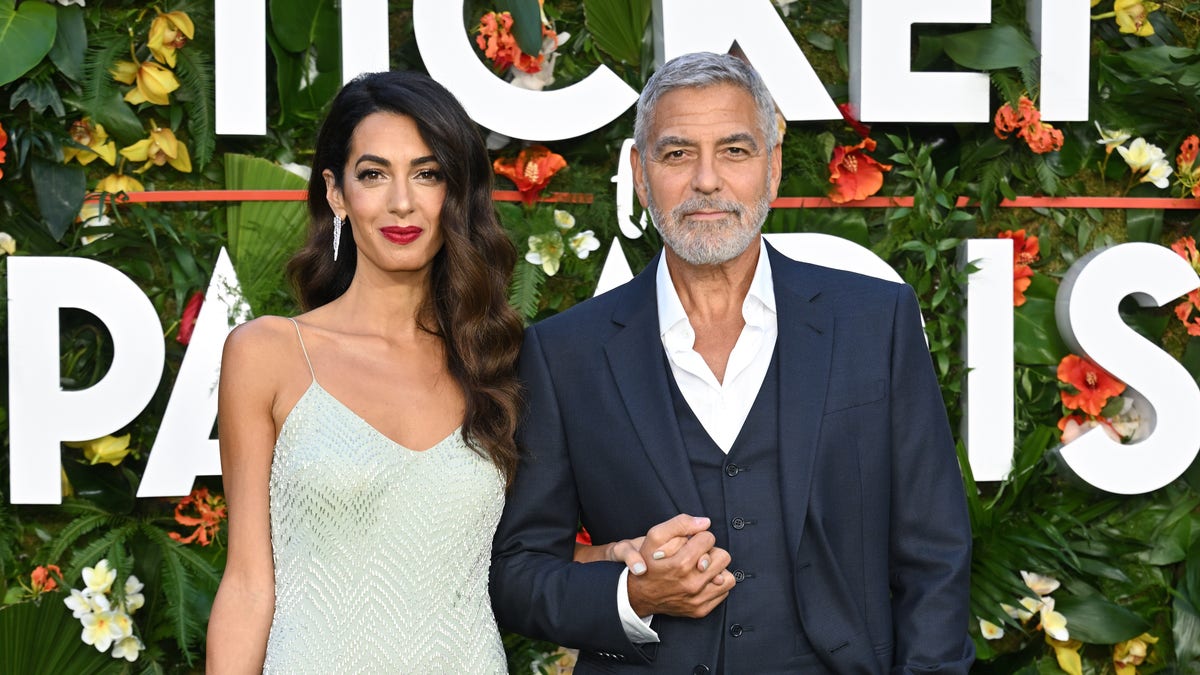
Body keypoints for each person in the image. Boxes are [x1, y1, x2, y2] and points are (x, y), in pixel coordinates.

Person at [490, 52, 975, 674]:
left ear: (772, 169)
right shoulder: (565, 353)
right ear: (641, 175)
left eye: (735, 151)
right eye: (676, 154)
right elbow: (519, 572)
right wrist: (632, 593)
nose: (707, 180)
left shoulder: (873, 322)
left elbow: (934, 551)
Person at [204, 71, 526, 672]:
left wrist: (624, 558)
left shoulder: (496, 360)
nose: (401, 201)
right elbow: (248, 584)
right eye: (374, 174)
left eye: (427, 174)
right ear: (336, 191)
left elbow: (524, 555)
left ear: (455, 192)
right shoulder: (268, 353)